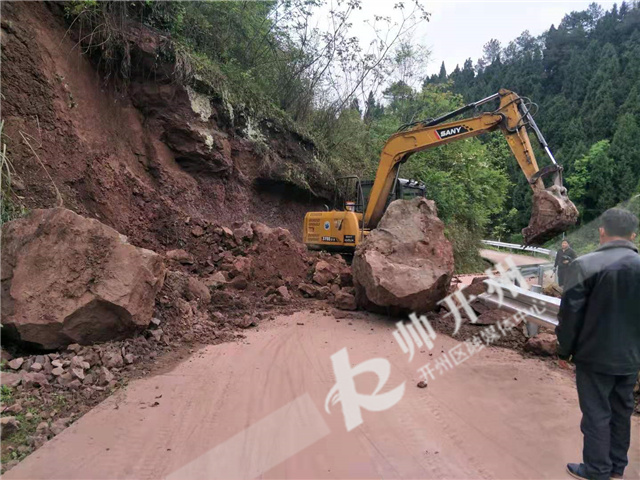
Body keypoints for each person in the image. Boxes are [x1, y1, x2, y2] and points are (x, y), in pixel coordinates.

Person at [556, 208, 640, 480]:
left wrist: (564, 350)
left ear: (602, 230)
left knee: (596, 415)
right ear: (633, 235)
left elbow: (570, 315)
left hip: (594, 357)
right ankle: (616, 467)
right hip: (630, 359)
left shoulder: (585, 265)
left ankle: (596, 471)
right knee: (621, 412)